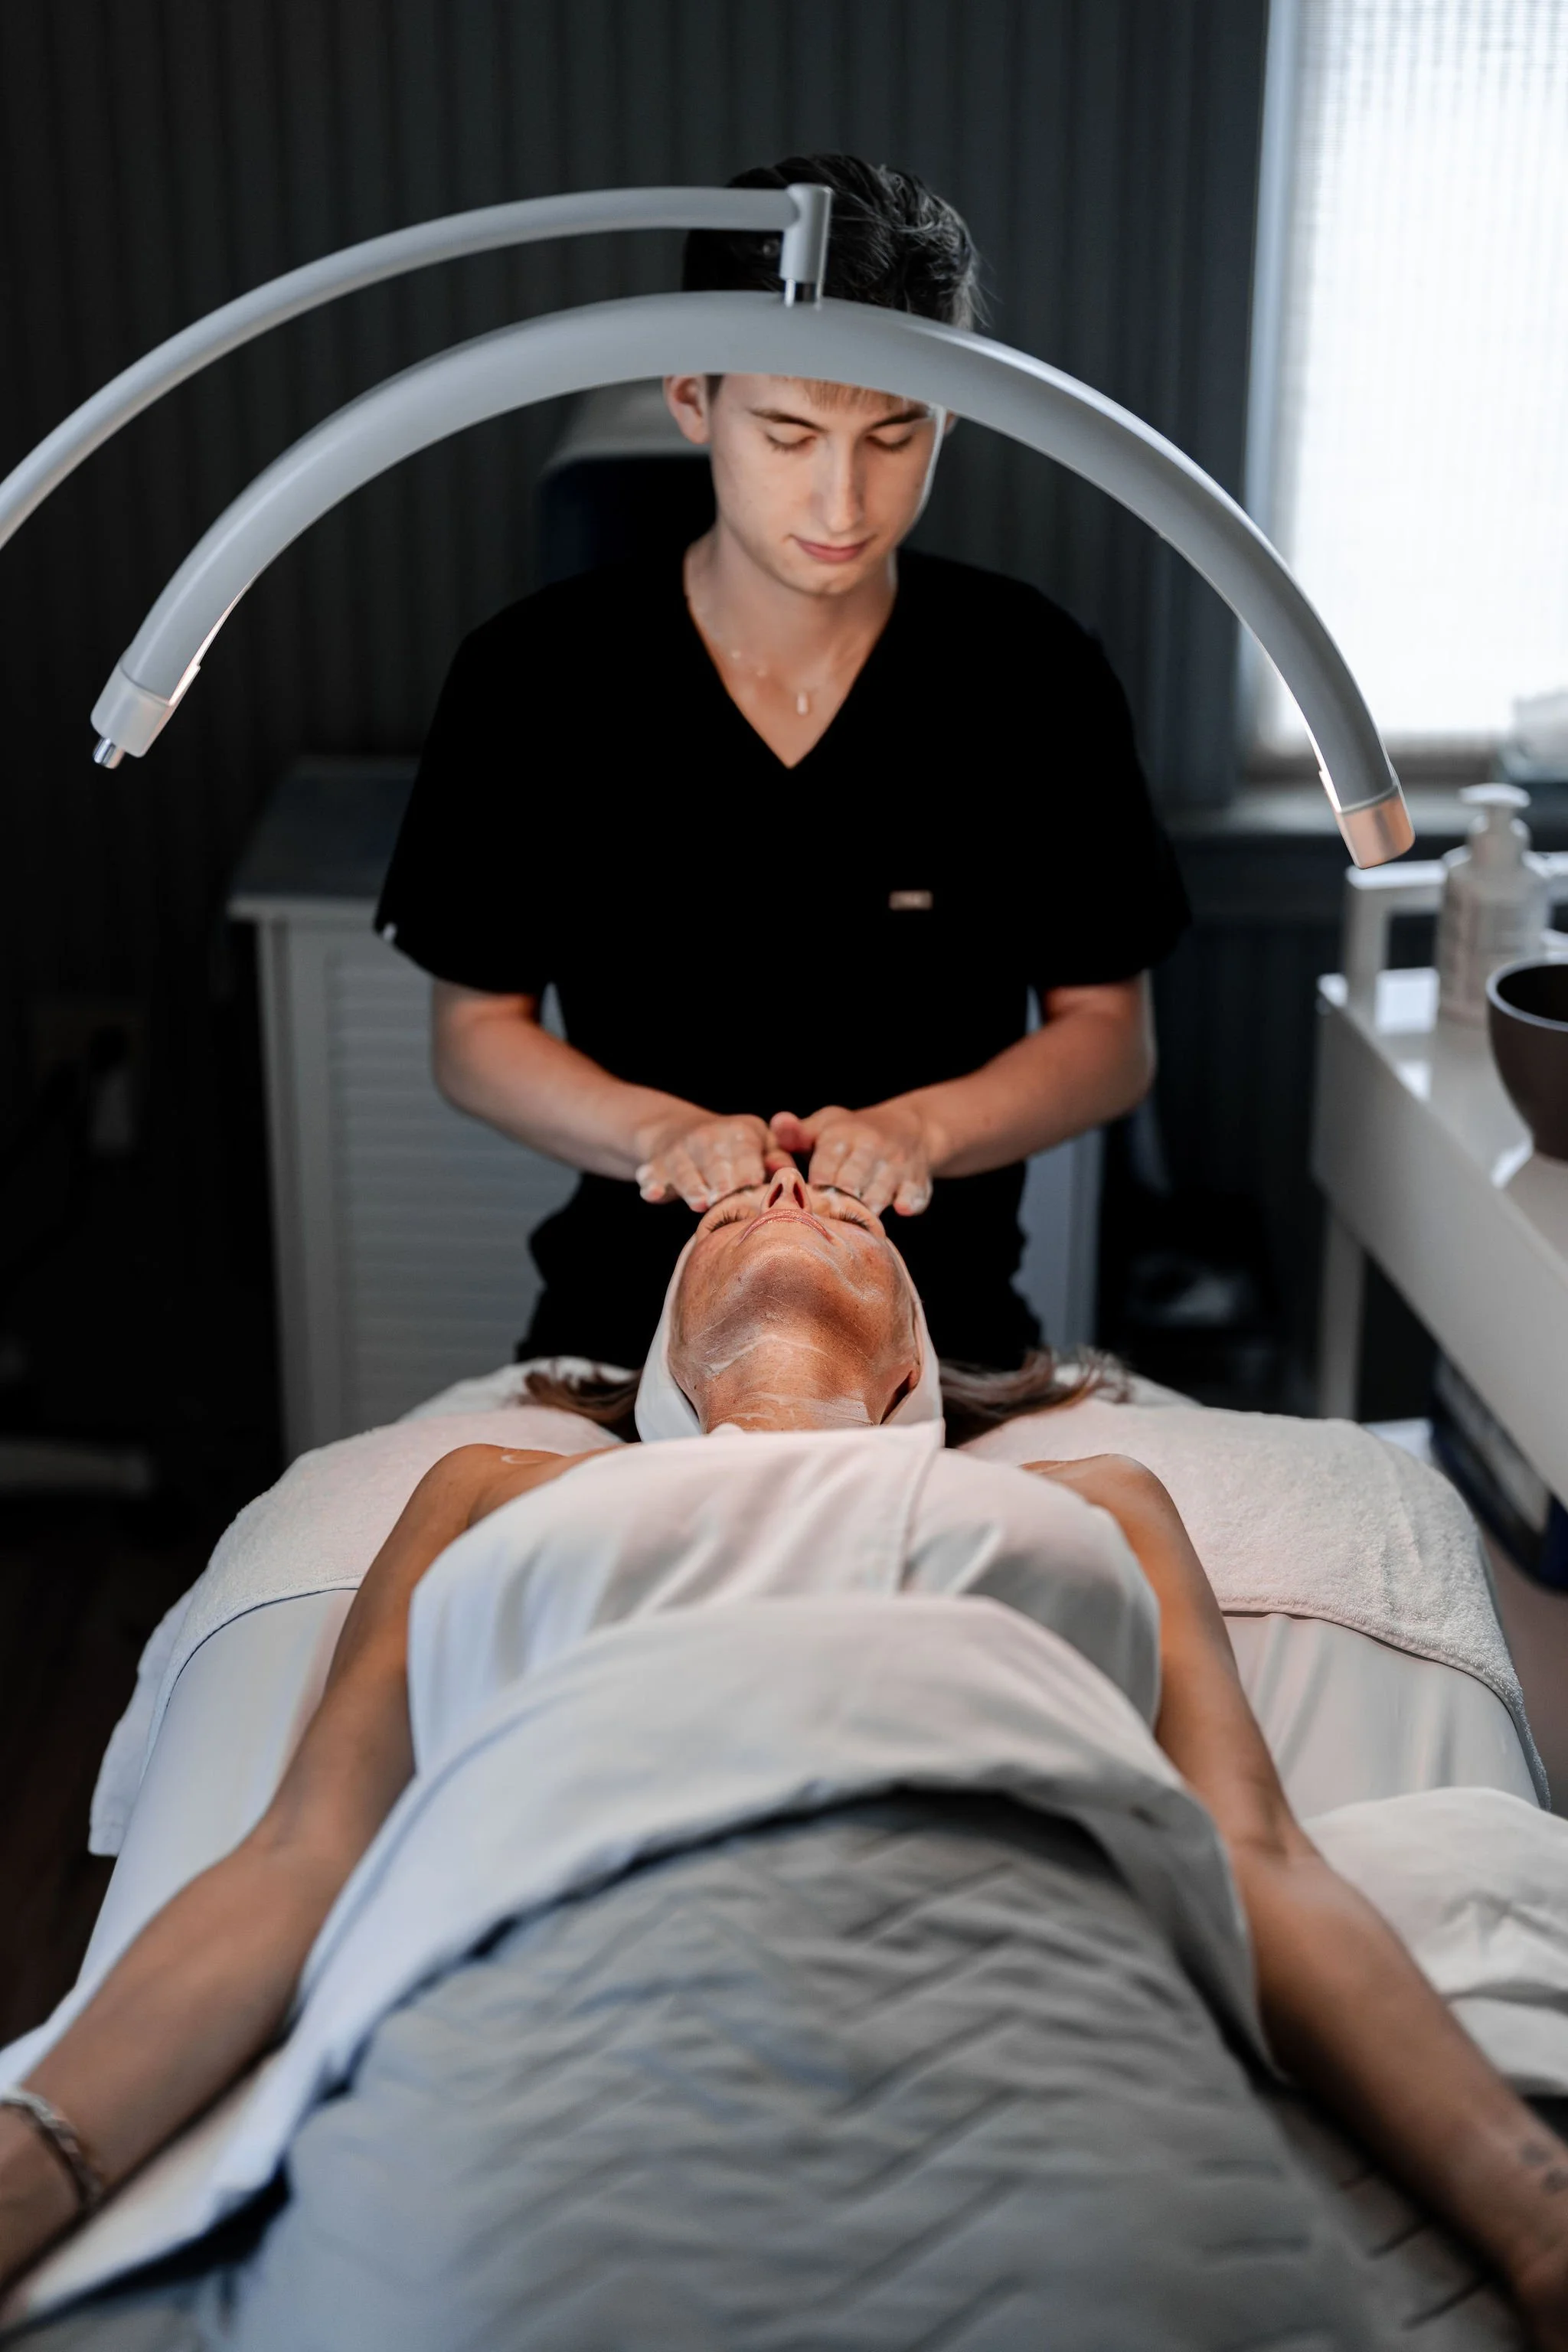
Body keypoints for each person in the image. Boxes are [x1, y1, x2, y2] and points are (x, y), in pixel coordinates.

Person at [2, 1164, 1568, 2347]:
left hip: (1047, 2014)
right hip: (551, 2033)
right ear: (665, 1366)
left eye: (847, 1218)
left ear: (910, 1369)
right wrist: (39, 2151)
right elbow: (298, 1862)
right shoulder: (485, 1487)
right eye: (729, 1213)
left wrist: (1536, 2215)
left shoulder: (1104, 1495)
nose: (786, 1192)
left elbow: (1256, 1863)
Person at [374, 153, 1189, 1373]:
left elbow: (1110, 1034)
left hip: (944, 1334)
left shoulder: (1031, 672)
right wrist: (660, 1133)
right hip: (627, 1329)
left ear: (953, 412)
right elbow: (475, 1032)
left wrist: (923, 1131)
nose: (842, 497)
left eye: (894, 433)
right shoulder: (535, 677)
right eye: (790, 430)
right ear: (692, 395)